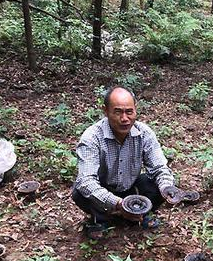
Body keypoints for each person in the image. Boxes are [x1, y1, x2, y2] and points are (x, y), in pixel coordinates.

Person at [72, 86, 177, 240]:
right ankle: (101, 219)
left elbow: (160, 168)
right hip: (103, 190)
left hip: (131, 187)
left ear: (135, 110)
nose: (124, 118)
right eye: (117, 112)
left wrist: (166, 188)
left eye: (129, 111)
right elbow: (86, 181)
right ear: (106, 111)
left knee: (158, 185)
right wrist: (118, 204)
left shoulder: (144, 133)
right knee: (80, 192)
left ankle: (140, 212)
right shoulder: (92, 137)